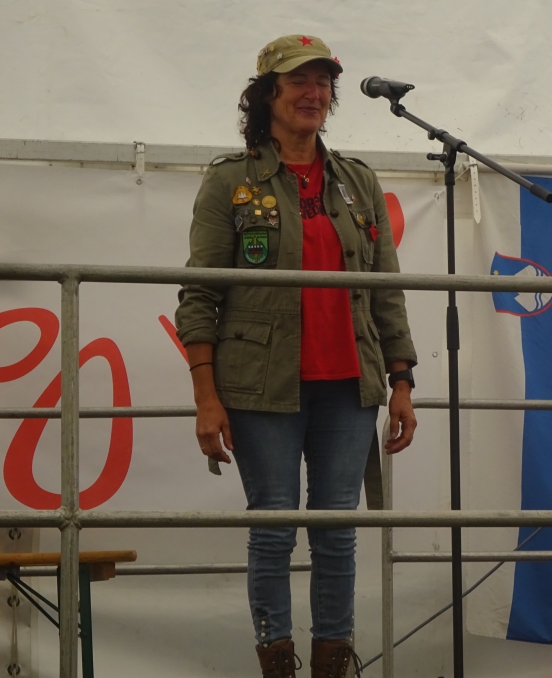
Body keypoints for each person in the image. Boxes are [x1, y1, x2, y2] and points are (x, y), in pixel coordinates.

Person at [175, 34, 417, 678]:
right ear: (267, 95)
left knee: (337, 532)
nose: (314, 94)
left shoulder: (358, 181)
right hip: (260, 385)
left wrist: (401, 382)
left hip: (350, 384)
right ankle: (277, 664)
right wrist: (205, 397)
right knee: (274, 528)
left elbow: (386, 291)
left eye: (323, 83)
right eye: (299, 82)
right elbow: (199, 295)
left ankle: (333, 664)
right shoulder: (230, 180)